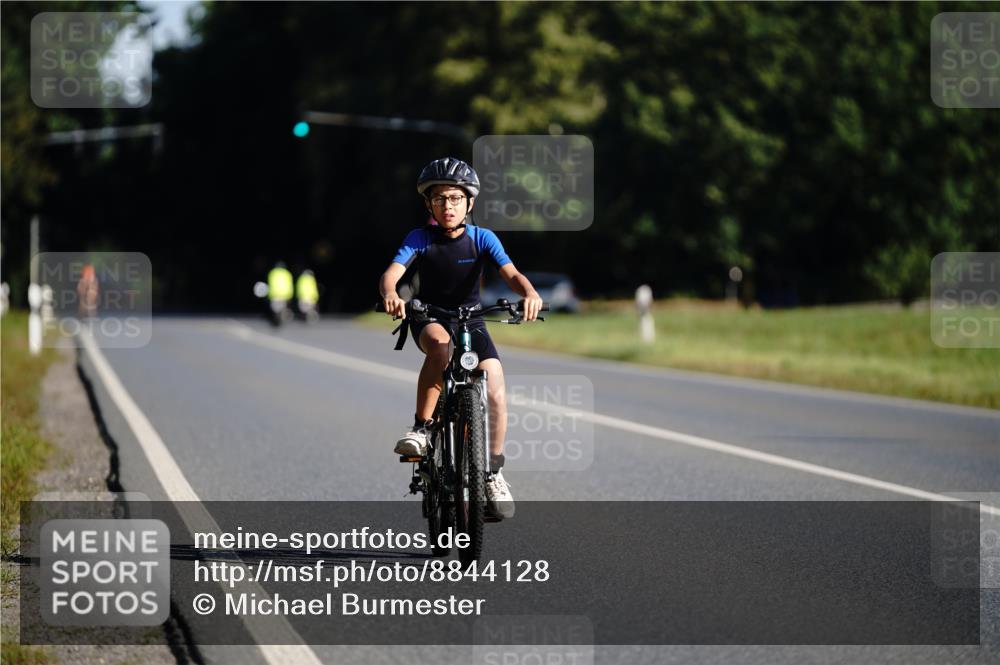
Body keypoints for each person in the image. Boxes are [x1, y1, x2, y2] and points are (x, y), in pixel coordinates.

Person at [378, 157, 543, 519]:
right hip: (431, 318)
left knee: (496, 388)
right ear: (429, 205)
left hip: (472, 320)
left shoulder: (483, 238)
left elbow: (511, 274)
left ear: (469, 202)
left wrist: (529, 293)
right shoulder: (419, 238)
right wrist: (392, 293)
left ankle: (492, 473)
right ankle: (422, 430)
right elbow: (392, 273)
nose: (447, 206)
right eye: (439, 199)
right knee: (440, 347)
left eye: (454, 198)